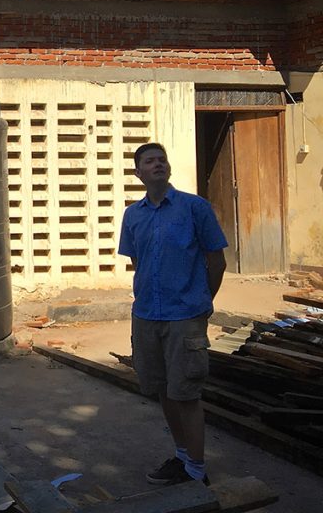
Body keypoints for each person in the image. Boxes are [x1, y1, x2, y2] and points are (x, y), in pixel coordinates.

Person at [118, 142, 227, 486]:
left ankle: (197, 470)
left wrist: (201, 301)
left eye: (162, 159)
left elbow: (217, 261)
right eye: (149, 161)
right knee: (164, 389)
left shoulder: (195, 208)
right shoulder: (132, 215)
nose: (157, 164)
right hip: (148, 315)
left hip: (185, 317)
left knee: (187, 393)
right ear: (138, 173)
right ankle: (182, 457)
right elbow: (137, 262)